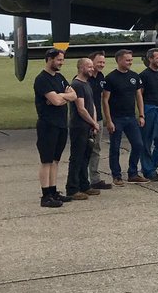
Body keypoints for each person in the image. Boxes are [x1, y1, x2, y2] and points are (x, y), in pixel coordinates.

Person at [34, 47, 77, 207]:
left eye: (62, 60)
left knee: (55, 160)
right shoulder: (42, 79)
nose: (61, 63)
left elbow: (73, 95)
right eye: (59, 60)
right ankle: (45, 196)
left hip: (61, 123)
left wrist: (60, 96)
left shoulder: (59, 77)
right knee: (46, 160)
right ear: (50, 59)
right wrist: (61, 97)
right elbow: (58, 101)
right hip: (48, 125)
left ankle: (53, 191)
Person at [103, 48, 145, 184]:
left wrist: (141, 115)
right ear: (119, 60)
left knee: (138, 144)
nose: (130, 62)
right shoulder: (110, 78)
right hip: (116, 118)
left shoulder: (134, 76)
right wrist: (108, 120)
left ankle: (133, 173)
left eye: (131, 60)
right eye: (127, 60)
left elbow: (138, 95)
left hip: (131, 117)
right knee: (115, 147)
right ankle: (116, 175)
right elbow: (105, 100)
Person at [66, 56, 100, 200]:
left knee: (85, 157)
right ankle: (72, 188)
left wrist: (95, 122)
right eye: (89, 66)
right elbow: (81, 109)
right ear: (81, 68)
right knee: (77, 158)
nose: (92, 69)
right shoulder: (77, 85)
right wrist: (93, 122)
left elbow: (91, 105)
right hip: (79, 127)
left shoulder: (87, 84)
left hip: (88, 126)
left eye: (92, 66)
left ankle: (84, 185)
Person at [139, 48, 158, 181]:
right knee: (147, 140)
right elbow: (140, 94)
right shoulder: (144, 75)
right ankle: (147, 170)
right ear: (150, 59)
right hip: (149, 108)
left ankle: (152, 166)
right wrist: (142, 113)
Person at [86, 51, 113, 189]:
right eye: (99, 62)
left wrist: (107, 119)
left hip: (99, 119)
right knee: (85, 150)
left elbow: (104, 99)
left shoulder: (102, 77)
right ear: (91, 62)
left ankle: (95, 179)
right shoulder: (84, 78)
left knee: (96, 149)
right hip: (86, 119)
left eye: (103, 62)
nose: (101, 64)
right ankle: (83, 180)